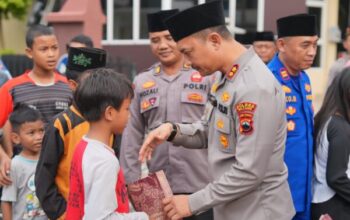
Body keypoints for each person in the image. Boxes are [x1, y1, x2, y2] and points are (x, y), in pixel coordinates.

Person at [138, 1, 295, 220]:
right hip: (234, 209)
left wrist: (191, 203)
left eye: (188, 52)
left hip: (258, 212)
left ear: (214, 41)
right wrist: (172, 130)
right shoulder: (226, 76)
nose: (187, 62)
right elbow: (211, 131)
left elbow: (249, 172)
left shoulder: (254, 87)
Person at [119, 9, 214, 219]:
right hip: (161, 191)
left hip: (204, 187)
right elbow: (131, 135)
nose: (162, 45)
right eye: (155, 40)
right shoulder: (142, 82)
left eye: (169, 38)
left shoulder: (206, 75)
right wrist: (132, 182)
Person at [65, 68, 148, 219]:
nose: (130, 115)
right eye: (127, 109)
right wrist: (143, 217)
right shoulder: (104, 160)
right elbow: (101, 218)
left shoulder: (84, 146)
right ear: (110, 113)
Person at [35, 46, 107, 220]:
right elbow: (43, 179)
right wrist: (62, 213)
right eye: (92, 82)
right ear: (73, 85)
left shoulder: (108, 121)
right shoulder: (60, 125)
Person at [0, 25, 72, 187]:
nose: (51, 54)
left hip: (61, 172)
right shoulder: (11, 88)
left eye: (54, 48)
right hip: (24, 176)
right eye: (44, 49)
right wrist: (4, 157)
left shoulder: (68, 87)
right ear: (29, 52)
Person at [267, 14, 318, 220]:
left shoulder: (303, 77)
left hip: (304, 190)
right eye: (305, 45)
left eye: (315, 44)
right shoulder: (268, 81)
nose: (312, 52)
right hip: (278, 197)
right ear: (281, 44)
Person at [311, 68, 350, 220]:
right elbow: (336, 178)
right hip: (334, 206)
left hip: (322, 201)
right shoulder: (340, 128)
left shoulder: (328, 119)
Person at [1, 104, 47, 220]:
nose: (38, 137)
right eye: (31, 133)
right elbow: (7, 201)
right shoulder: (15, 165)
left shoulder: (48, 159)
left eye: (41, 131)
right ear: (16, 138)